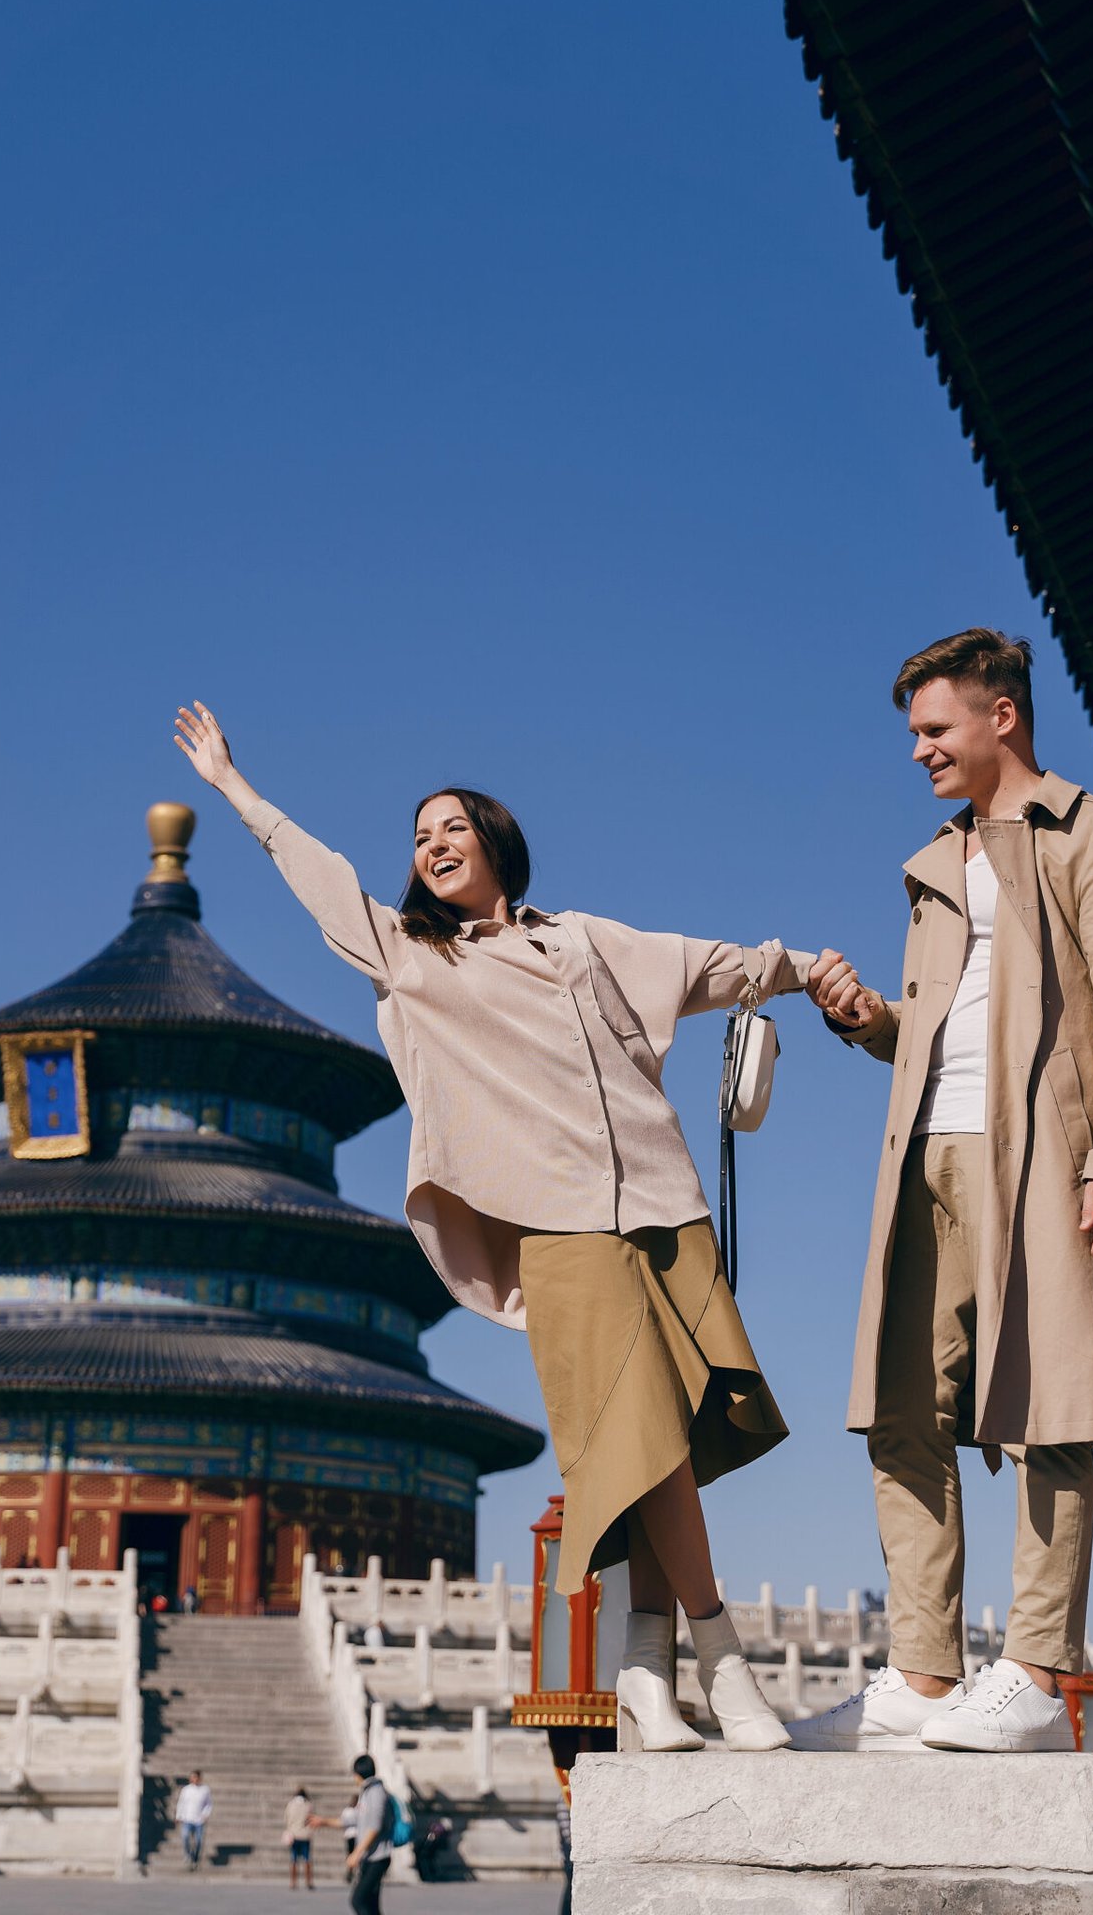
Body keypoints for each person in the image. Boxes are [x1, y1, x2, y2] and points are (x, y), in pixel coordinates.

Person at [174, 700, 819, 1754]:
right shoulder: (418, 958)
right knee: (637, 1438)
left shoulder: (585, 940)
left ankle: (645, 1686)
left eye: (450, 831)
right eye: (418, 838)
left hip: (665, 1203)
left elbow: (714, 968)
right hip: (558, 1225)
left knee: (676, 1443)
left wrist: (808, 971)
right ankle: (723, 1658)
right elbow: (325, 882)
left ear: (496, 845)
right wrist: (236, 790)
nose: (429, 848)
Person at [796, 630, 1093, 1755]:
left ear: (1000, 716)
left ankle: (1032, 1673)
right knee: (898, 1409)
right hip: (924, 1155)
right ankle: (920, 1680)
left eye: (933, 729)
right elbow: (951, 1030)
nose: (917, 752)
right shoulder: (935, 863)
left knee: (1050, 1409)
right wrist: (871, 1023)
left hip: (1051, 1160)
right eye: (912, 734)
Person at [344, 1754, 394, 1915]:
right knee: (372, 1905)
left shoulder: (376, 1792)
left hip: (378, 1857)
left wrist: (356, 1854)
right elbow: (355, 1819)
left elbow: (374, 1827)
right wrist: (323, 1821)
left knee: (358, 1900)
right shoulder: (366, 1792)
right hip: (370, 1857)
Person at [175, 1770, 213, 1868]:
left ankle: (195, 1857)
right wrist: (179, 1815)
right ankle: (188, 1855)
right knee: (185, 1837)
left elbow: (209, 1803)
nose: (193, 1779)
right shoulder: (186, 1790)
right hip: (187, 1818)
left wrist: (205, 1814)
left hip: (199, 1820)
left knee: (199, 1840)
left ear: (199, 1778)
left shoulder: (205, 1790)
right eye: (192, 1777)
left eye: (195, 1777)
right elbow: (181, 1803)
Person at [282, 1785, 315, 1890]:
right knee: (307, 1859)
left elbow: (286, 1819)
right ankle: (308, 1881)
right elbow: (312, 1819)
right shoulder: (309, 1805)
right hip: (305, 1835)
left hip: (294, 1835)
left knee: (294, 1859)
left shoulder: (290, 1805)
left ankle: (293, 1882)